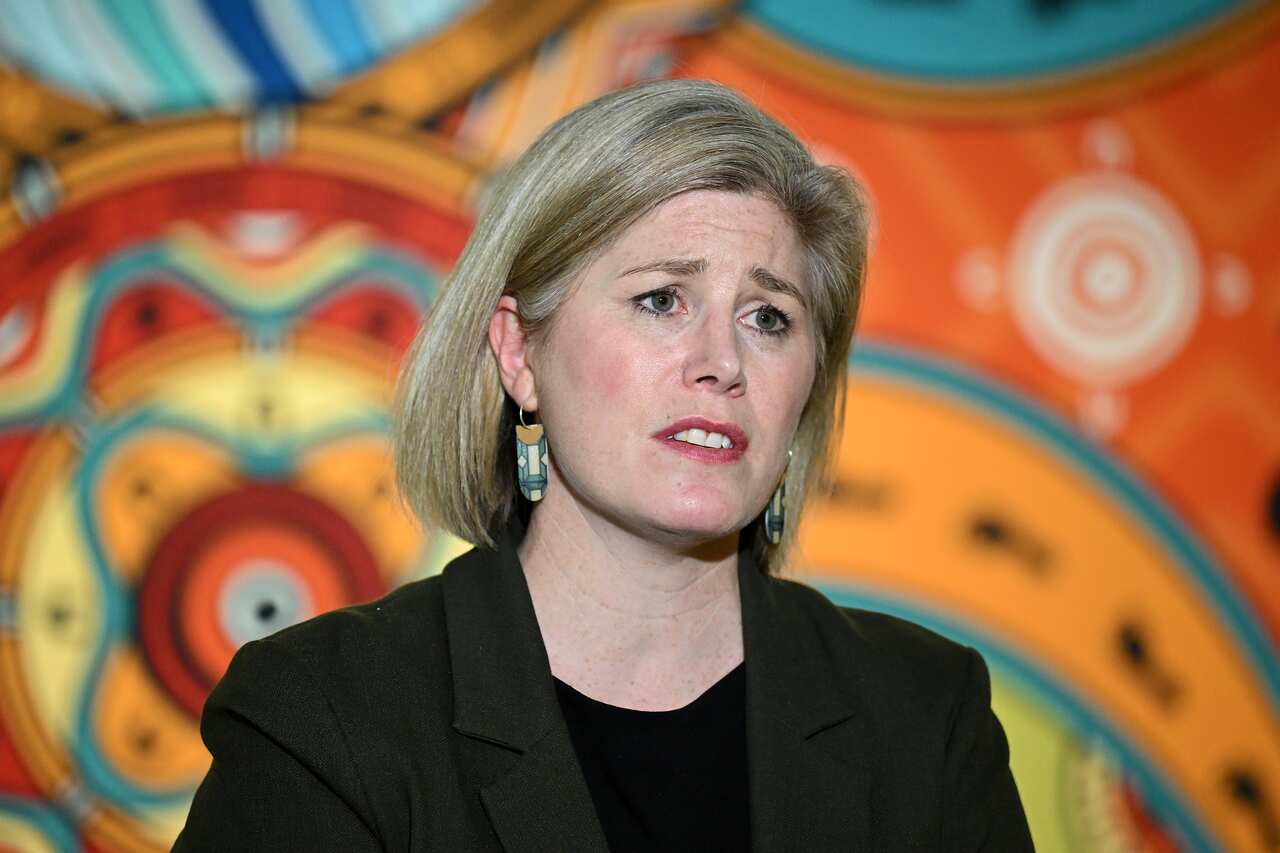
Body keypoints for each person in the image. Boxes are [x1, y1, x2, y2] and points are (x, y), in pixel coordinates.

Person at [174, 79, 1033, 852]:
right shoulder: (324, 716)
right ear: (519, 352)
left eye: (768, 317)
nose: (722, 361)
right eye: (662, 299)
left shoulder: (925, 712)